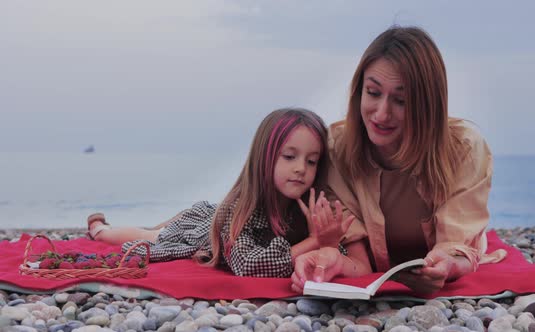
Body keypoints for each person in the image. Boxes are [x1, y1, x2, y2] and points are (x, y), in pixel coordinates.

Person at [291, 26, 507, 294]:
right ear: (359, 91)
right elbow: (353, 253)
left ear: (427, 105)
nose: (381, 114)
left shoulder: (464, 148)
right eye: (373, 92)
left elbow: (459, 247)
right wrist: (331, 259)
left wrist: (448, 265)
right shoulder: (336, 148)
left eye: (401, 100)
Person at [86, 108, 354, 277]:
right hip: (202, 226)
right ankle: (99, 229)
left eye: (311, 161)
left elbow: (333, 250)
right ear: (264, 157)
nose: (300, 169)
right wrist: (314, 241)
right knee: (151, 235)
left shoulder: (307, 206)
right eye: (289, 156)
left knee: (158, 227)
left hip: (211, 215)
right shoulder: (240, 209)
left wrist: (326, 240)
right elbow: (248, 265)